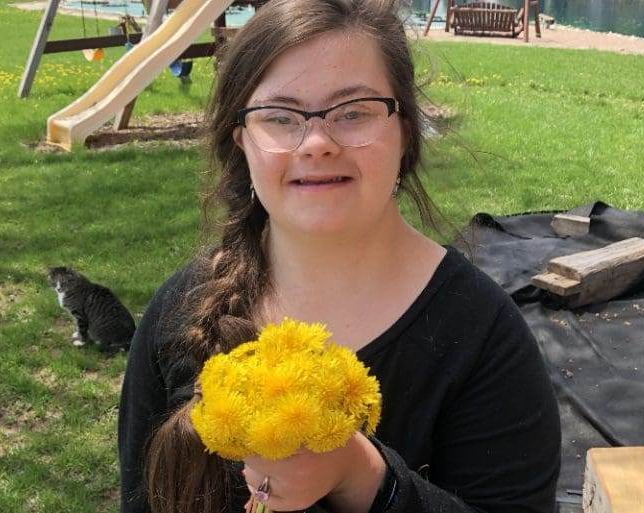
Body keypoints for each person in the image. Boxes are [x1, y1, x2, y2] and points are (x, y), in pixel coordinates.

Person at [118, 1, 561, 512]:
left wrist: (365, 477)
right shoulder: (180, 310)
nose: (317, 142)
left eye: (353, 113)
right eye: (279, 117)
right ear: (242, 141)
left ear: (406, 131)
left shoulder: (482, 338)